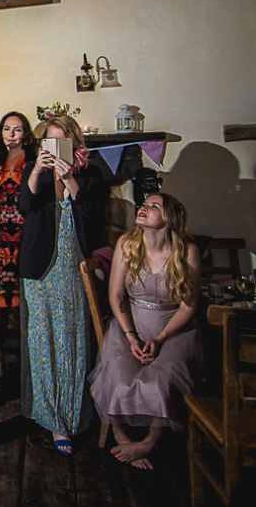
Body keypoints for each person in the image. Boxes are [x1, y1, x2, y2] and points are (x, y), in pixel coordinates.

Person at [89, 192, 203, 470]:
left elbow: (189, 307)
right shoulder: (126, 244)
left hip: (172, 327)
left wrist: (161, 338)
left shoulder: (187, 251)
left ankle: (150, 441)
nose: (143, 208)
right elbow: (116, 295)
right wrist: (130, 335)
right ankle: (120, 434)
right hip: (131, 323)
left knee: (161, 378)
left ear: (169, 218)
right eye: (144, 204)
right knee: (115, 370)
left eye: (154, 206)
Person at [18, 114, 104, 455]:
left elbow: (91, 217)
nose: (53, 148)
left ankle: (70, 416)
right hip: (38, 269)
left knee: (72, 341)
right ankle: (51, 419)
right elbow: (25, 205)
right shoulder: (32, 171)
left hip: (72, 269)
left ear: (73, 143)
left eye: (59, 141)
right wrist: (38, 170)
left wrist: (69, 178)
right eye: (47, 142)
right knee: (41, 343)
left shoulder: (90, 174)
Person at [0, 112, 34, 385]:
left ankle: (30, 362)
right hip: (0, 241)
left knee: (29, 302)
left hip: (28, 239)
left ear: (26, 134)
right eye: (7, 129)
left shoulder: (34, 163)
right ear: (1, 133)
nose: (11, 134)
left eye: (18, 129)